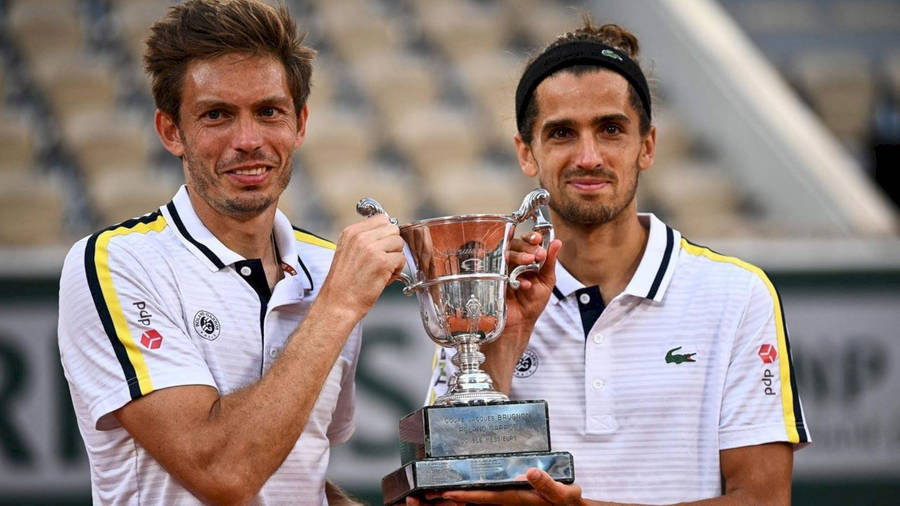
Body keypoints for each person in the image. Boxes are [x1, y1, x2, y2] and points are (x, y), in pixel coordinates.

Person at [420, 19, 811, 505]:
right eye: (562, 133)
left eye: (610, 129)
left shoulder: (737, 294)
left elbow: (763, 500)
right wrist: (503, 346)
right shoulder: (488, 300)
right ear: (527, 153)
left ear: (646, 145)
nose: (588, 156)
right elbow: (447, 493)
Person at [56, 1, 406, 504]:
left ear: (300, 124)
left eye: (269, 112)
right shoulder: (115, 262)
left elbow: (292, 463)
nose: (248, 140)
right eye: (217, 115)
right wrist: (337, 304)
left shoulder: (330, 266)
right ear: (171, 131)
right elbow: (223, 472)